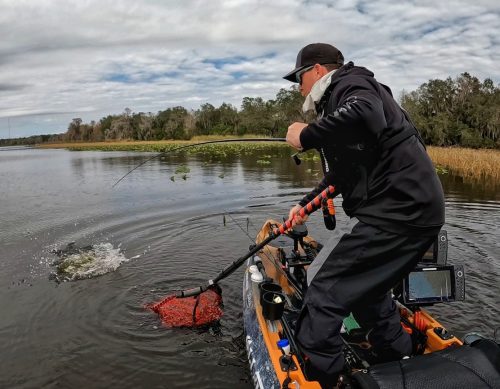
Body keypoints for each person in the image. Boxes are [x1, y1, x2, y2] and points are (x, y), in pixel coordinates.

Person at [283, 43, 445, 387]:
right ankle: (399, 355)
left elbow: (365, 111)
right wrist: (305, 205)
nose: (298, 87)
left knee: (322, 285)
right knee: (369, 290)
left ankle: (325, 376)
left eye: (299, 78)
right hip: (419, 213)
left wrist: (306, 135)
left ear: (316, 70)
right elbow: (342, 176)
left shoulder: (351, 83)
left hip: (394, 212)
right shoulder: (341, 110)